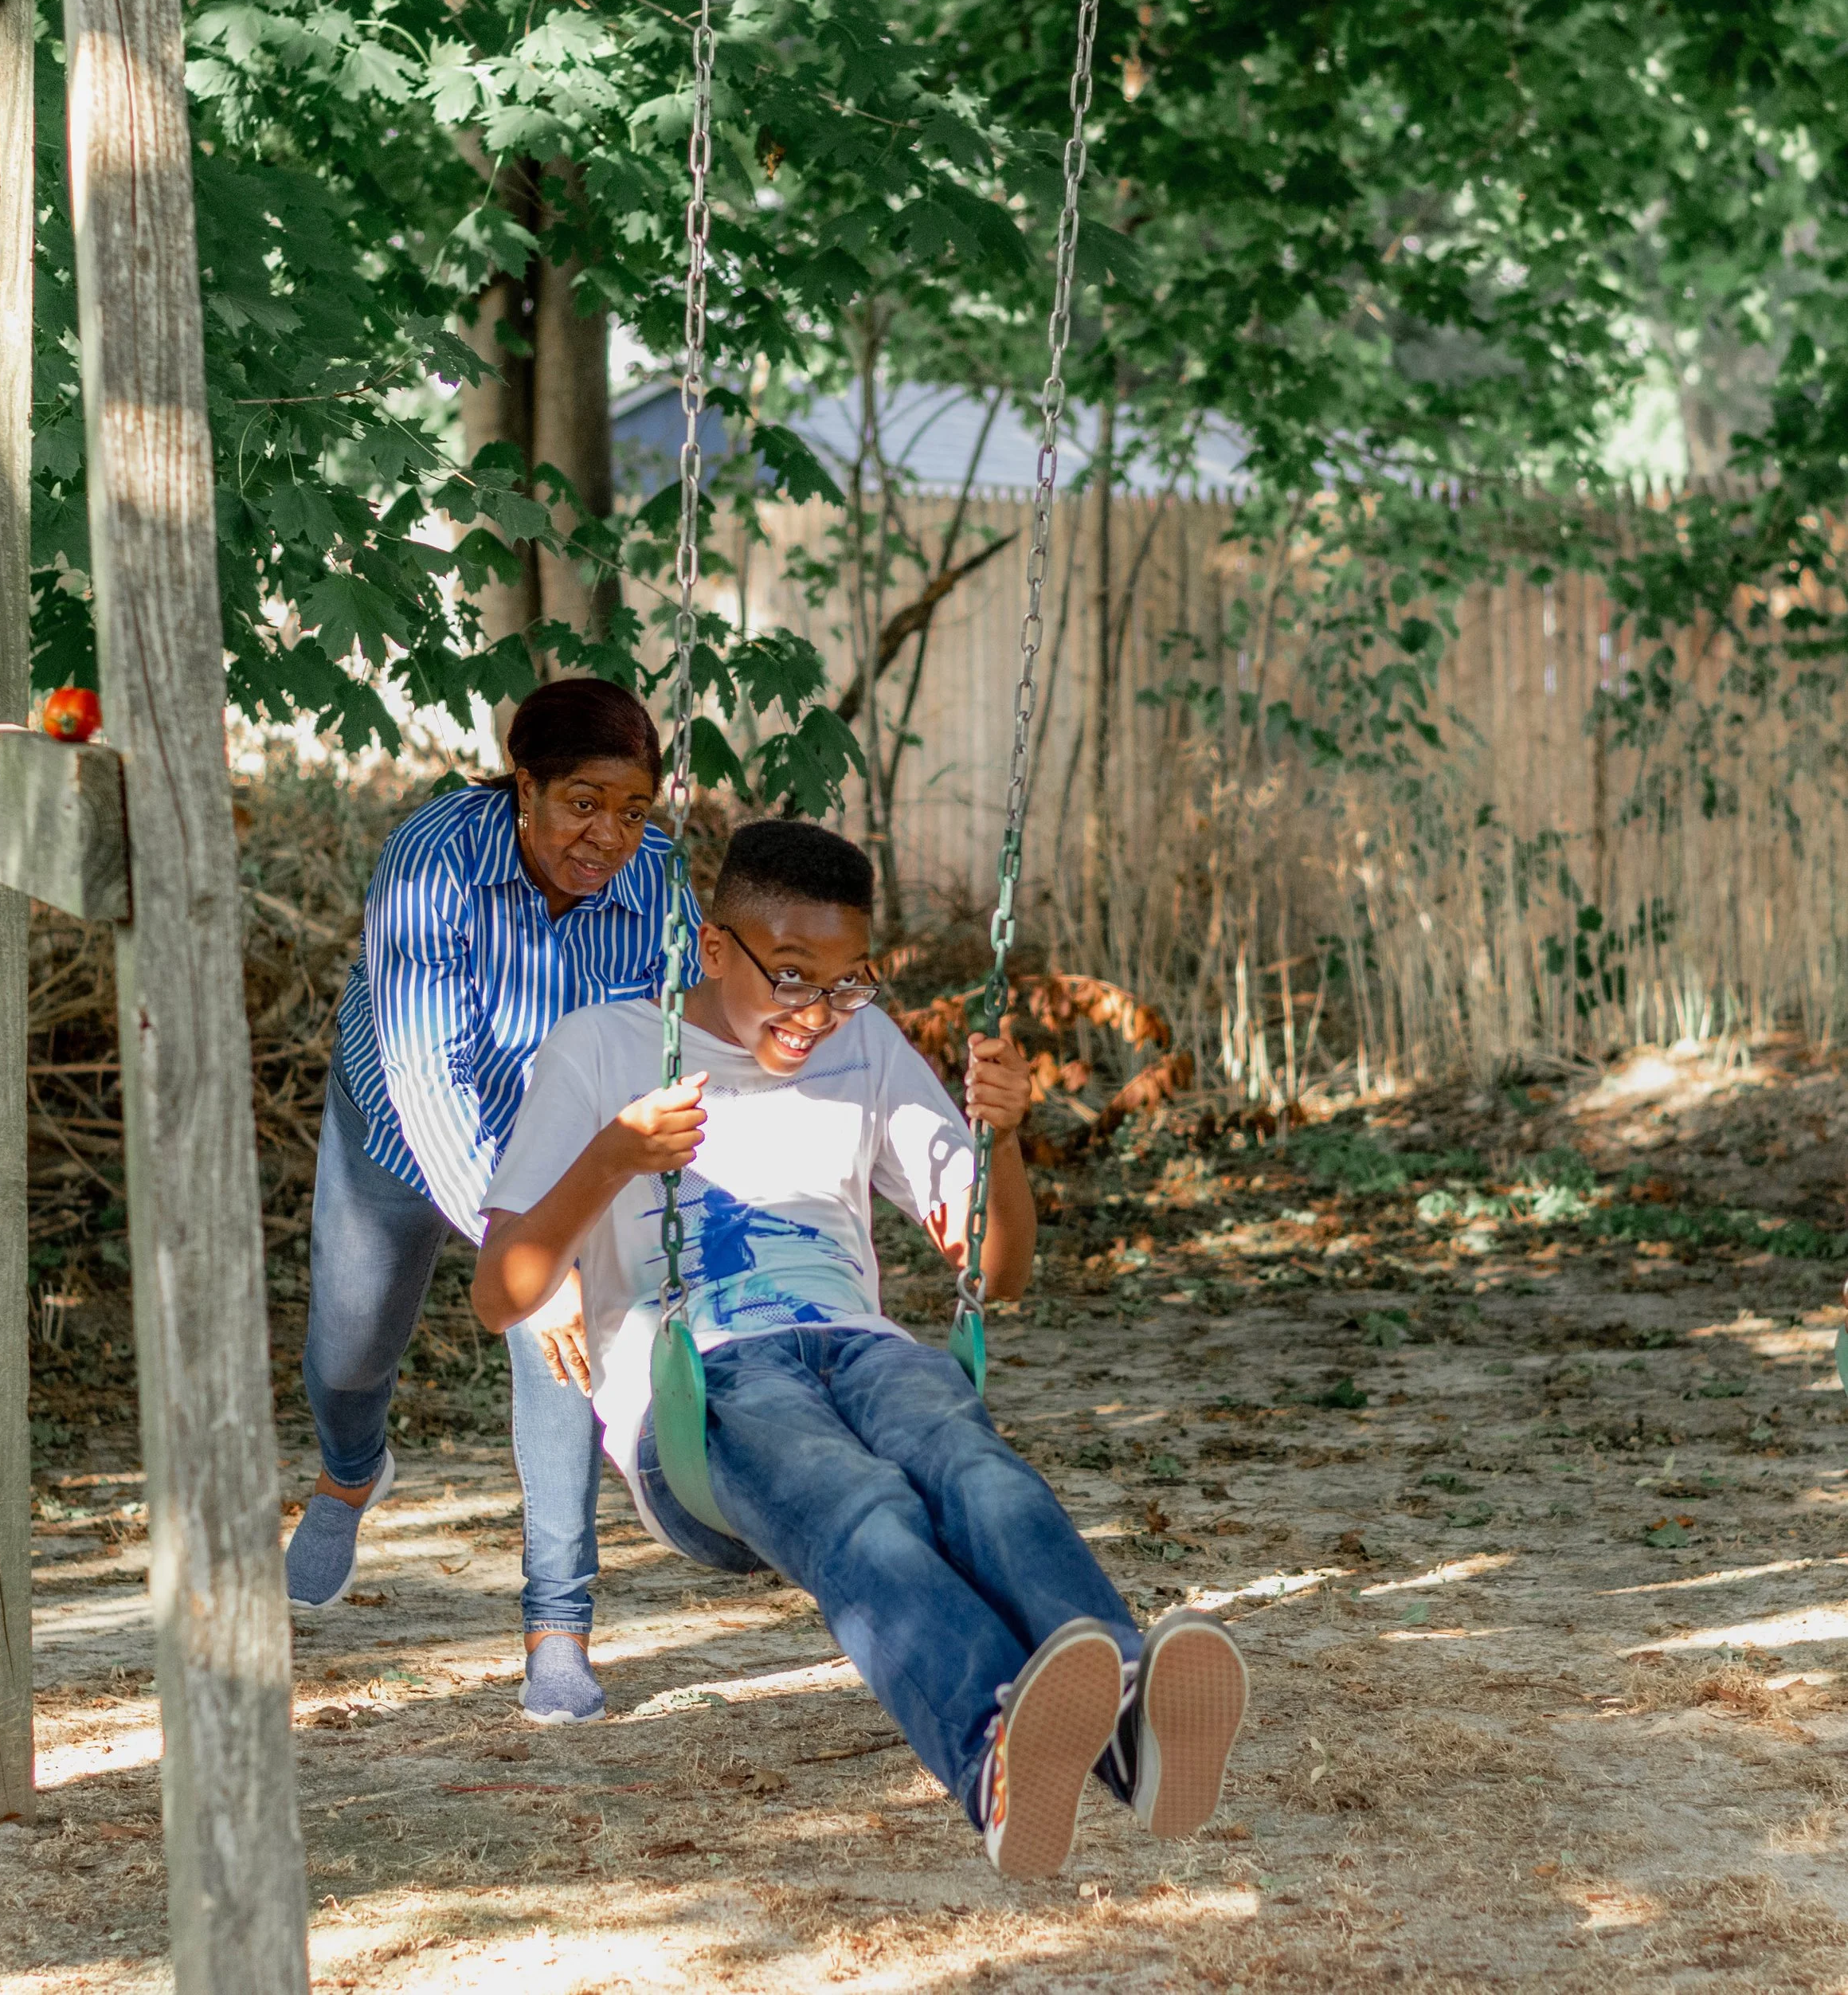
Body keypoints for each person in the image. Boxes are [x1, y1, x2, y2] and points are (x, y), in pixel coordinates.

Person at [472, 819, 1248, 1876]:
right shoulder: (603, 1050)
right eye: (791, 976)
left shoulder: (866, 1049)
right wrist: (615, 1156)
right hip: (700, 1385)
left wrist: (1004, 1139)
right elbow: (497, 1287)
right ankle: (994, 1749)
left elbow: (998, 1266)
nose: (818, 1013)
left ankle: (1128, 1724)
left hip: (858, 1344)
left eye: (848, 981)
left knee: (973, 1469)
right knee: (863, 1506)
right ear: (713, 948)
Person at [284, 678, 699, 1727]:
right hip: (403, 1131)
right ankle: (349, 1471)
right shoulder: (434, 861)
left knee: (556, 1358)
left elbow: (687, 1037)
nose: (609, 834)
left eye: (634, 809)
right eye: (583, 803)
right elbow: (431, 1076)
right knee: (347, 1348)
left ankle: (558, 1629)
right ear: (527, 786)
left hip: (558, 1148)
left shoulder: (658, 884)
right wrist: (525, 1252)